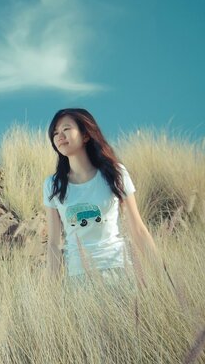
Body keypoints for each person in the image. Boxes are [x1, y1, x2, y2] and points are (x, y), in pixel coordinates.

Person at [42, 108, 162, 290]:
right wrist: (50, 289)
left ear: (85, 135)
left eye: (66, 129)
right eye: (55, 133)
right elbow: (53, 243)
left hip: (119, 272)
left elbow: (138, 229)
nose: (59, 136)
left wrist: (163, 275)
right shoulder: (53, 184)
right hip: (78, 279)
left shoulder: (115, 173)